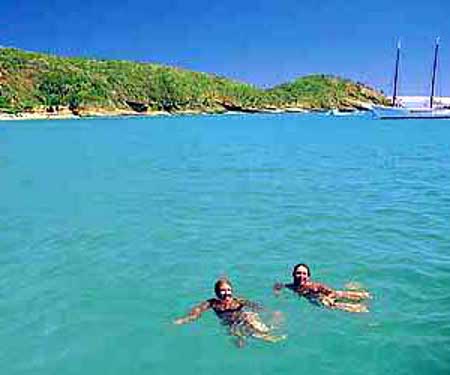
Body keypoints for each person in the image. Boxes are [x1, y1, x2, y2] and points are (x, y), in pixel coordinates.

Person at [174, 278, 285, 345]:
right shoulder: (212, 303)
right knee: (239, 341)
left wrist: (271, 312)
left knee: (250, 318)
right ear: (217, 293)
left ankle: (267, 332)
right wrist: (185, 319)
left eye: (228, 290)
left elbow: (256, 306)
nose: (226, 293)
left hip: (244, 317)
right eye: (223, 290)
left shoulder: (238, 300)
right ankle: (257, 335)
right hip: (230, 322)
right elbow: (197, 311)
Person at [273, 263, 370, 313]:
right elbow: (279, 285)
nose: (301, 276)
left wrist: (329, 298)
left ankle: (359, 303)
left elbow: (330, 292)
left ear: (308, 276)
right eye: (298, 273)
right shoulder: (292, 286)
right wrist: (277, 291)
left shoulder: (313, 285)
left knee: (332, 302)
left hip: (323, 296)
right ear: (293, 274)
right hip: (314, 298)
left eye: (304, 274)